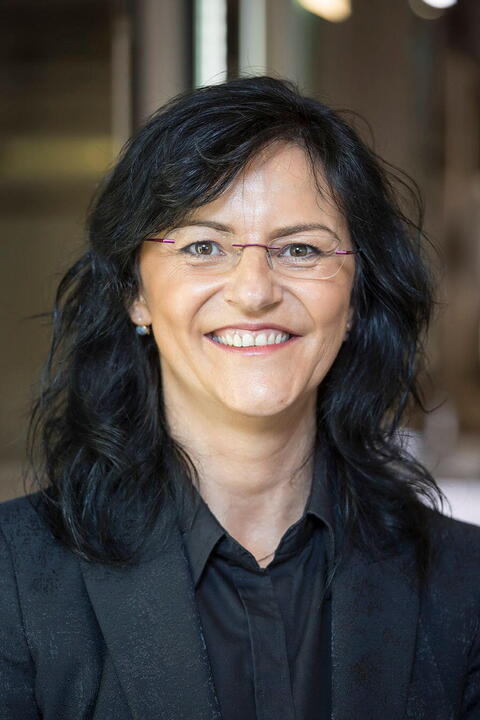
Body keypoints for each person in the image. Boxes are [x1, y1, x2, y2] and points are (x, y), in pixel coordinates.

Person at [0, 75, 478, 720]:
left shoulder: (464, 583)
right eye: (204, 246)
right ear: (135, 292)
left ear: (355, 298)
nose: (254, 292)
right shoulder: (12, 576)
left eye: (300, 249)